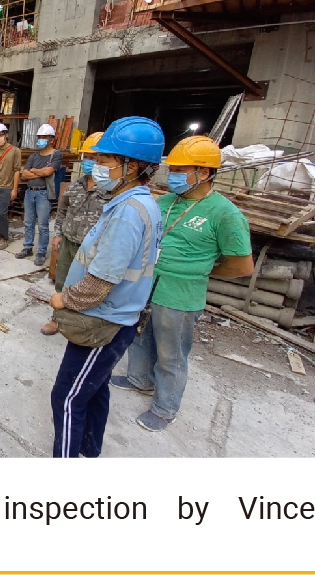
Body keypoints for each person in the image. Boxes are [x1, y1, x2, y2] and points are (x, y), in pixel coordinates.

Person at [111, 136, 253, 432]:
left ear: (203, 173)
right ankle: (140, 379)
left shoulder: (224, 213)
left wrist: (197, 270)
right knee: (139, 334)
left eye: (179, 169)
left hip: (181, 293)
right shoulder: (165, 201)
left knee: (171, 352)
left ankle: (165, 408)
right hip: (148, 284)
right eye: (172, 169)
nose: (172, 175)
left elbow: (241, 265)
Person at [48, 116, 164, 458]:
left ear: (132, 166)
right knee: (94, 389)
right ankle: (88, 449)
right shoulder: (138, 203)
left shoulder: (127, 212)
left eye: (105, 160)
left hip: (103, 322)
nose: (97, 166)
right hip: (117, 319)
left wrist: (62, 298)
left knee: (67, 397)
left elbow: (99, 285)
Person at [40, 132, 110, 335]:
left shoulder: (111, 191)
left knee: (87, 288)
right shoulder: (75, 186)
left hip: (94, 249)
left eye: (95, 158)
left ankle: (81, 324)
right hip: (69, 243)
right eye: (86, 157)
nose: (90, 162)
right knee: (62, 283)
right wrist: (58, 233)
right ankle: (57, 320)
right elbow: (62, 211)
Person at [16, 124, 62, 266]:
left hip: (43, 193)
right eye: (39, 137)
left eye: (44, 137)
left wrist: (34, 171)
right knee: (28, 223)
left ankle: (41, 252)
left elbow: (48, 172)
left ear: (51, 139)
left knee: (42, 225)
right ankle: (28, 248)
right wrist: (40, 171)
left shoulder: (56, 154)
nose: (41, 140)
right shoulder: (34, 156)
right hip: (30, 192)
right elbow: (24, 173)